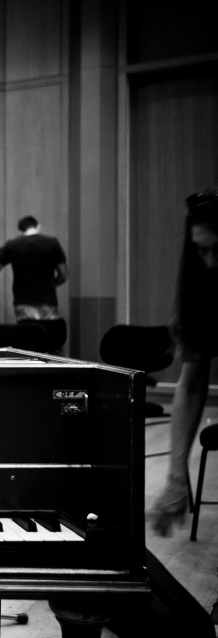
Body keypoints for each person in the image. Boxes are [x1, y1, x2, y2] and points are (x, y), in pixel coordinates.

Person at [150, 187, 218, 537]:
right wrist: (176, 479)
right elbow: (191, 386)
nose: (211, 263)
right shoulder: (202, 285)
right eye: (202, 250)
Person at [0, 215, 69, 352]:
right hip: (49, 309)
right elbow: (64, 275)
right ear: (38, 226)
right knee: (52, 349)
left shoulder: (13, 245)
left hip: (24, 310)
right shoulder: (52, 243)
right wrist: (52, 284)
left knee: (29, 347)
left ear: (20, 231)